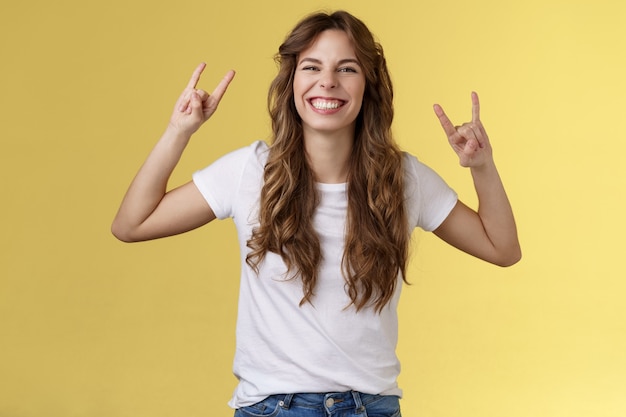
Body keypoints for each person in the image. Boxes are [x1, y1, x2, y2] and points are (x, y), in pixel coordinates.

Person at [111, 10, 521, 417]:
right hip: (274, 406)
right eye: (312, 67)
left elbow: (502, 248)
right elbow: (132, 224)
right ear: (292, 82)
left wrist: (482, 166)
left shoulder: (402, 178)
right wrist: (178, 131)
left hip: (372, 407)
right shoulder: (249, 172)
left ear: (368, 86)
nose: (328, 81)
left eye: (346, 69)